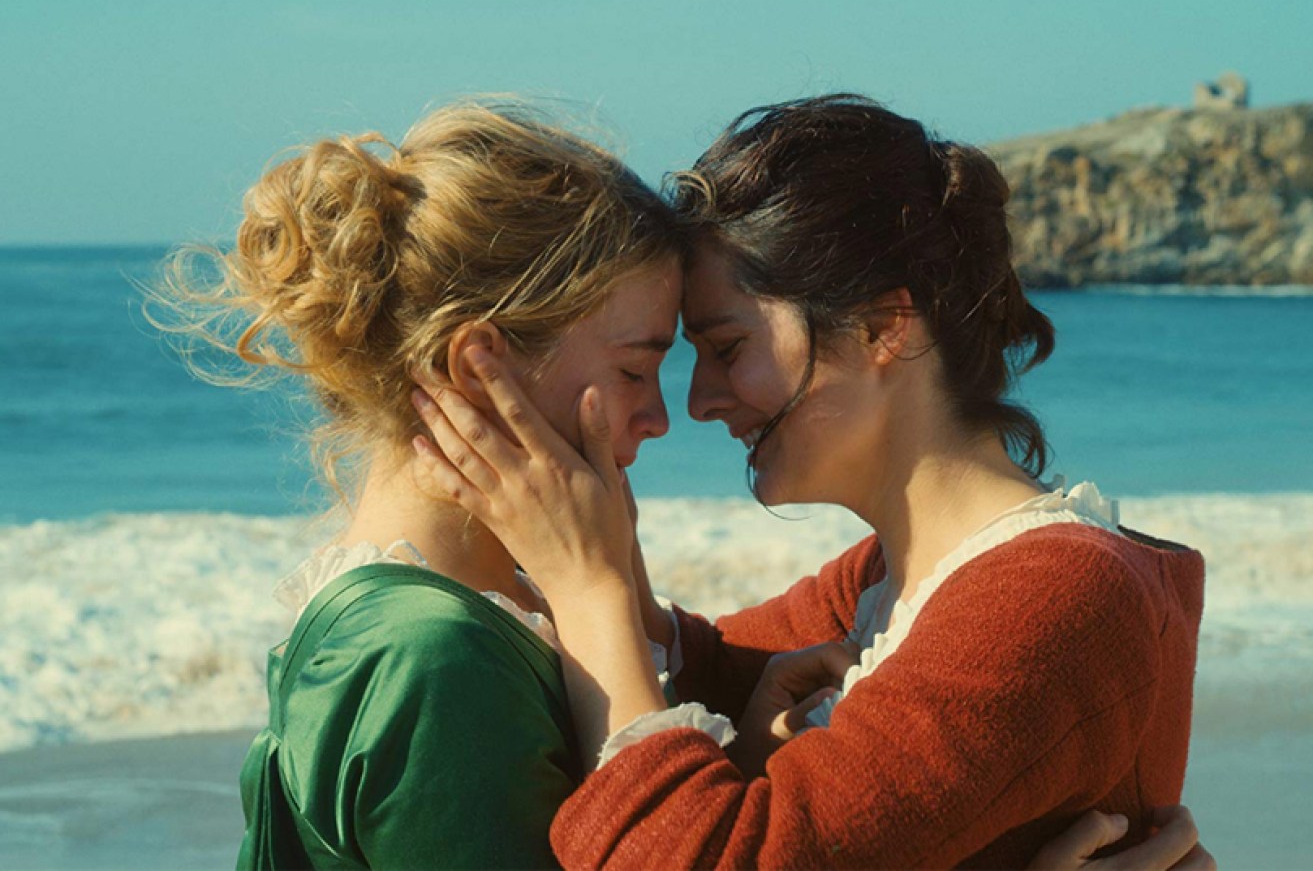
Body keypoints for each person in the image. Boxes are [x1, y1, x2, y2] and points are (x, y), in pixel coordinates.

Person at [411, 94, 1210, 869]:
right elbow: (709, 668)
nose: (698, 401)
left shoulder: (1052, 595)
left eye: (725, 348)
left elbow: (706, 859)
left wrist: (587, 589)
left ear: (879, 329)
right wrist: (604, 557)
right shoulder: (883, 582)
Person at [151, 100, 686, 868]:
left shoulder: (475, 613)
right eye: (635, 369)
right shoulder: (436, 661)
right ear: (480, 366)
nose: (661, 416)